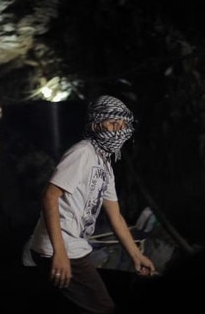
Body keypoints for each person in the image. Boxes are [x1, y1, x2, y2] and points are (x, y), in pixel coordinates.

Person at [28, 94, 156, 314]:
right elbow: (49, 196)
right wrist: (60, 253)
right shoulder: (83, 153)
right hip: (59, 248)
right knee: (103, 308)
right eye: (113, 123)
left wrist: (136, 255)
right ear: (96, 124)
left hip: (73, 247)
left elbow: (115, 216)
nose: (119, 129)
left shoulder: (104, 164)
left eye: (123, 124)